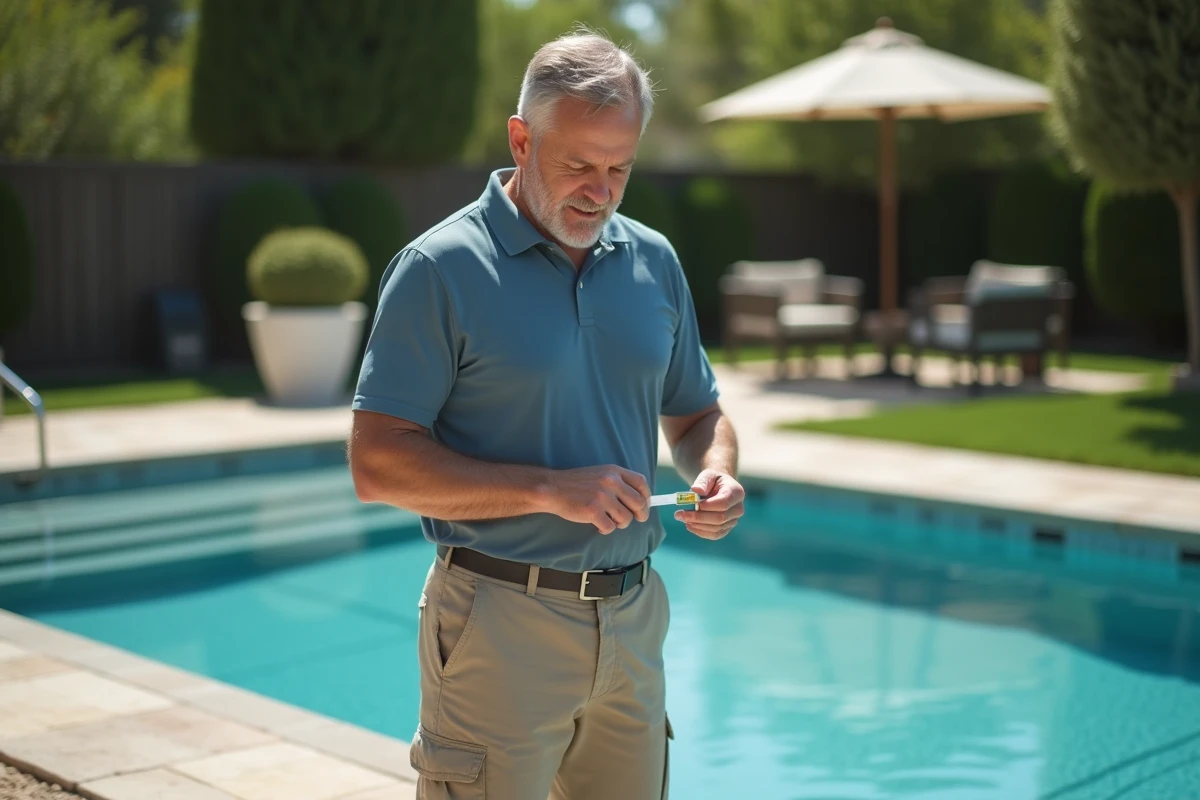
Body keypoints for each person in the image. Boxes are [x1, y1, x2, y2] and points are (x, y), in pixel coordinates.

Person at [348, 28, 744, 800]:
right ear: (521, 140)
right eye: (579, 166)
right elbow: (376, 462)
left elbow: (698, 415)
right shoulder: (439, 269)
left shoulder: (654, 261)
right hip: (498, 623)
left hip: (634, 623)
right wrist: (548, 489)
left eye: (619, 168)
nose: (600, 190)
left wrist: (717, 472)